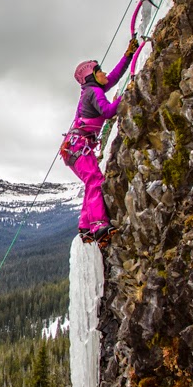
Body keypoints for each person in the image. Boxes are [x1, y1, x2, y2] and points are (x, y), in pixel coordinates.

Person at [61, 37, 139, 243]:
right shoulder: (94, 91)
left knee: (90, 181)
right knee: (95, 180)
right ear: (92, 77)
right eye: (99, 72)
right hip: (80, 146)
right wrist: (127, 95)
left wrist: (127, 56)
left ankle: (86, 226)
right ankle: (97, 224)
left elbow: (111, 78)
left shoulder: (91, 91)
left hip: (74, 148)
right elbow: (108, 111)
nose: (104, 74)